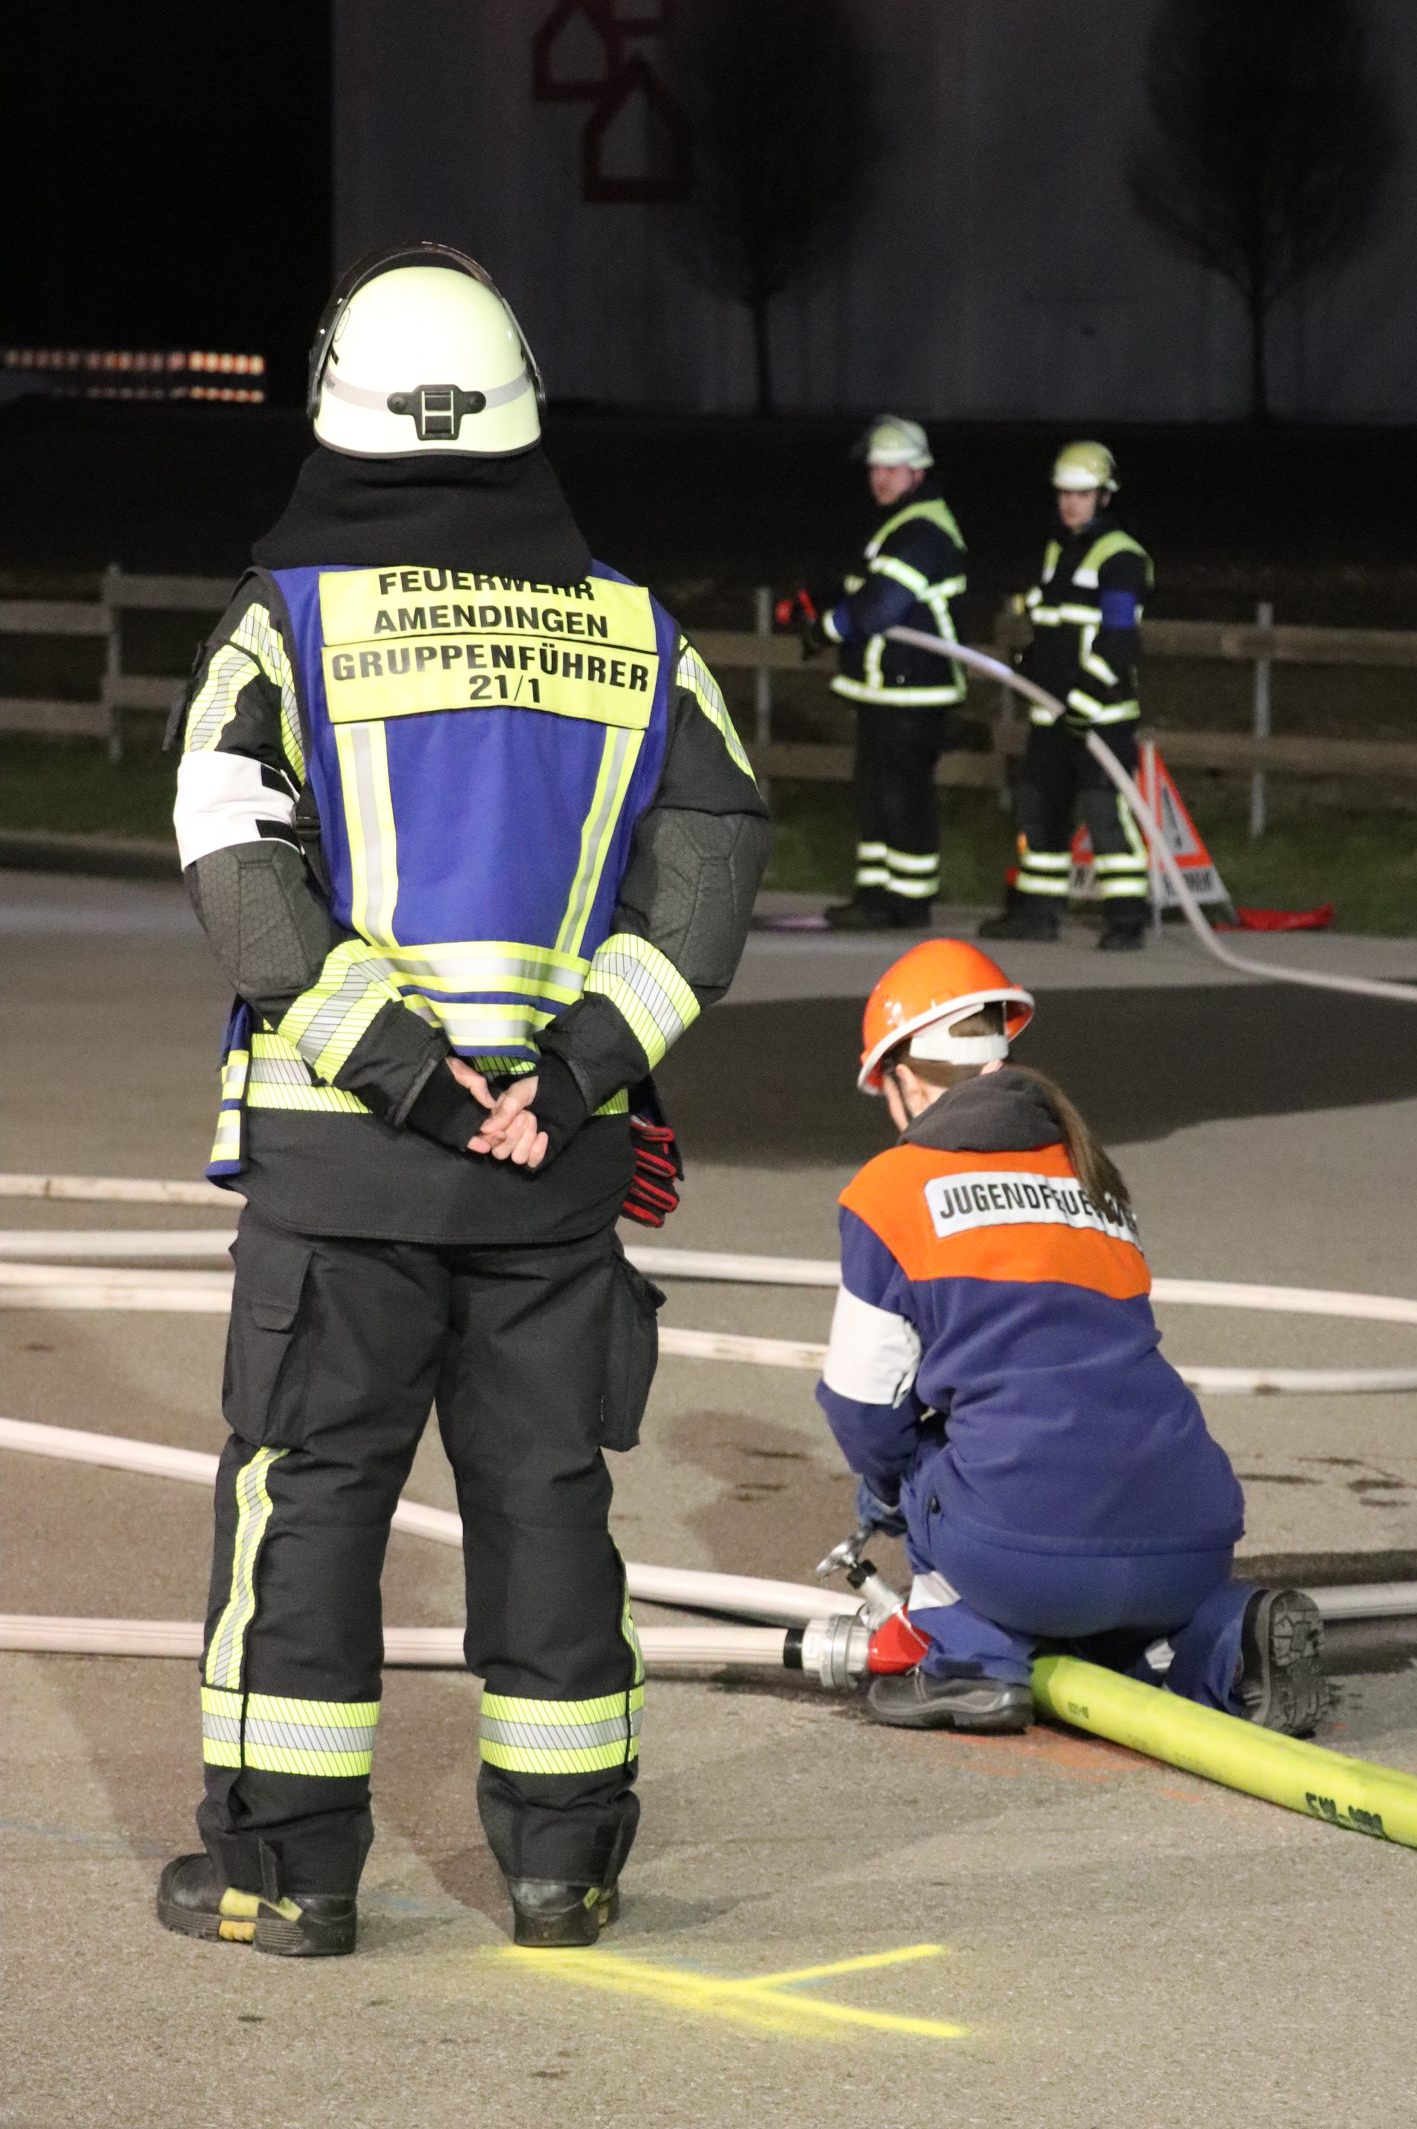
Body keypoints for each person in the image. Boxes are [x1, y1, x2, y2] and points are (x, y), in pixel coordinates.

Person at [155, 242, 769, 1958]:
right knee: (548, 1502)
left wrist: (417, 1083)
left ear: (333, 406)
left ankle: (284, 1878)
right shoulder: (637, 633)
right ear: (521, 414)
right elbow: (709, 886)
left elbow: (238, 873)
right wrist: (565, 1079)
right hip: (551, 1175)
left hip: (347, 1165)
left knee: (309, 1502)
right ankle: (565, 1870)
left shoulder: (285, 625)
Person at [816, 940, 1326, 1737]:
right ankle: (1227, 1638)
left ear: (904, 1077)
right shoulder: (1090, 1172)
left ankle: (968, 1660)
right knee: (1106, 1581)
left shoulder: (889, 1190)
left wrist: (887, 1492)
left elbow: (859, 1404)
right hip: (1188, 1538)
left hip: (1026, 1554)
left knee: (926, 1467)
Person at [983, 439, 1153, 951]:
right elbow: (1056, 623)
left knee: (1105, 815)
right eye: (1064, 494)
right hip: (1050, 713)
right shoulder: (1058, 550)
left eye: (1081, 494)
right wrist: (1032, 660)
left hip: (1100, 715)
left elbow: (1118, 640)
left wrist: (1083, 703)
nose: (1070, 504)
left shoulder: (1122, 558)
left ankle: (1127, 919)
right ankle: (1038, 913)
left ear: (1104, 496)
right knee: (1040, 812)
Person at [802, 415, 967, 931]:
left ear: (918, 473)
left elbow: (880, 608)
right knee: (874, 793)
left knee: (902, 796)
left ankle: (909, 901)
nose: (881, 478)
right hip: (887, 688)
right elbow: (866, 594)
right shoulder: (899, 525)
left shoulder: (924, 532)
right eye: (876, 469)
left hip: (914, 690)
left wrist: (824, 629)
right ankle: (875, 893)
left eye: (893, 469)